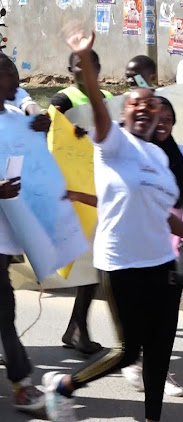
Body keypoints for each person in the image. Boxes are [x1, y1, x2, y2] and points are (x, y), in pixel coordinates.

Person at [44, 28, 183, 422]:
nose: (144, 110)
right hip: (120, 265)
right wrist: (85, 59)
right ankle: (65, 386)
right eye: (136, 105)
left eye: (150, 107)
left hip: (161, 266)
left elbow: (166, 218)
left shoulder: (161, 161)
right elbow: (99, 110)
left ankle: (152, 417)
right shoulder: (114, 143)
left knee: (160, 350)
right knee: (128, 351)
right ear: (123, 113)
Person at [118, 96, 183, 399]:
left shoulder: (182, 155)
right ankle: (132, 360)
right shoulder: (129, 153)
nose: (162, 124)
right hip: (140, 244)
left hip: (173, 244)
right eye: (157, 118)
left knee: (166, 316)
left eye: (168, 119)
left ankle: (156, 370)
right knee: (139, 317)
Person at [50, 49, 115, 357]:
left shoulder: (105, 96)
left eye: (91, 66)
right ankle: (79, 330)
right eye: (79, 66)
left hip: (99, 189)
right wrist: (67, 124)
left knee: (93, 267)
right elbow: (51, 122)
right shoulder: (64, 98)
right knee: (89, 266)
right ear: (70, 69)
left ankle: (75, 328)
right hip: (77, 192)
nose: (84, 71)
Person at [0, 53, 46, 415]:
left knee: (5, 308)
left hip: (4, 237)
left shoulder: (17, 119)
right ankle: (21, 382)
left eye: (16, 73)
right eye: (8, 75)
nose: (16, 81)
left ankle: (20, 382)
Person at [49, 50, 114, 114]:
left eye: (90, 63)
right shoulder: (62, 100)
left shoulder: (108, 97)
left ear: (98, 68)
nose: (87, 69)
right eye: (81, 65)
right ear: (71, 70)